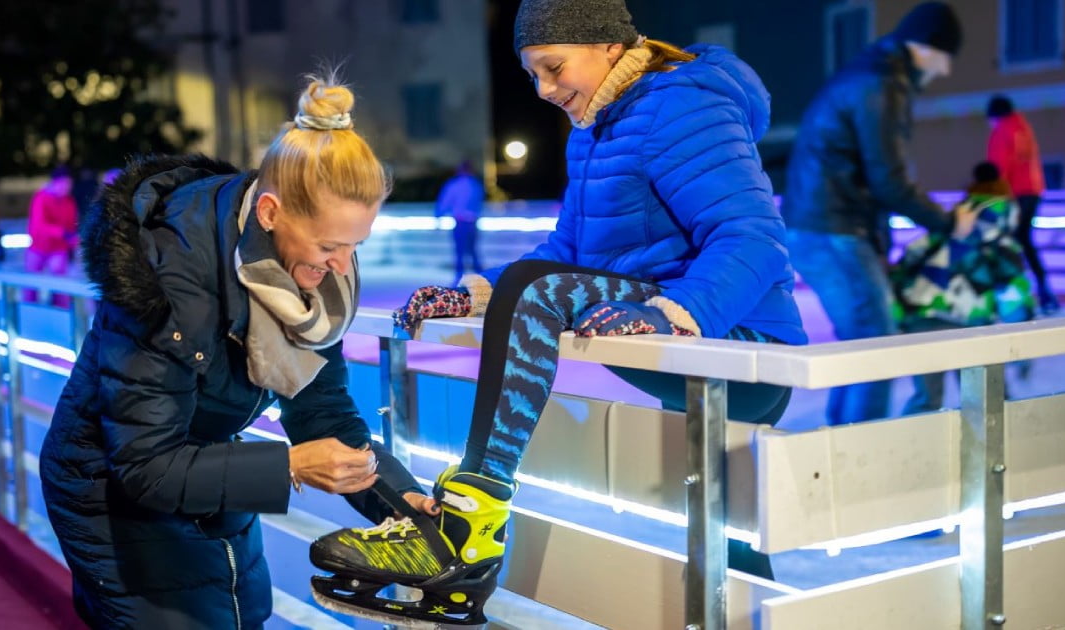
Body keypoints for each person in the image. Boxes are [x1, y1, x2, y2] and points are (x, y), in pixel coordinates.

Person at [307, 0, 805, 625]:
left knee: (538, 294)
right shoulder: (595, 130)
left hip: (741, 344)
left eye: (552, 67)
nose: (544, 91)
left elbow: (754, 237)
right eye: (532, 76)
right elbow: (566, 255)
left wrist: (673, 311)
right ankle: (751, 616)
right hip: (667, 331)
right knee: (727, 522)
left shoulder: (684, 106)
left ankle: (468, 530)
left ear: (608, 47)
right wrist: (478, 295)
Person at [38, 73, 435, 629]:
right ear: (270, 213)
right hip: (112, 488)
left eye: (355, 245)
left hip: (205, 467)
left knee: (241, 612)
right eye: (328, 245)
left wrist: (404, 504)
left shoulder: (306, 282)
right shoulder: (173, 276)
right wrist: (291, 465)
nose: (342, 266)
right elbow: (144, 464)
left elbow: (322, 412)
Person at [781, 1, 963, 424]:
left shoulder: (869, 75)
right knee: (877, 347)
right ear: (926, 47)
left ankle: (841, 449)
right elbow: (889, 180)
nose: (946, 72)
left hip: (826, 225)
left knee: (860, 348)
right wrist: (949, 221)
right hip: (834, 230)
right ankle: (857, 462)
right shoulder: (882, 84)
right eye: (945, 58)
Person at [891, 162, 1035, 413]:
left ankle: (916, 448)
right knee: (987, 398)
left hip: (923, 319)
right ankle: (995, 449)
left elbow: (907, 263)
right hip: (972, 324)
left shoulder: (946, 228)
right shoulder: (999, 241)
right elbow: (1013, 291)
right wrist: (1024, 344)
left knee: (927, 398)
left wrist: (897, 314)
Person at [987, 94, 1057, 315]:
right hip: (1033, 192)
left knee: (1008, 243)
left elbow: (1000, 167)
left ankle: (1015, 295)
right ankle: (1043, 291)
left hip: (1015, 194)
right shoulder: (1023, 128)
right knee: (1024, 240)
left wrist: (996, 196)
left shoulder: (1002, 132)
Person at [25, 165, 78, 306]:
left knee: (60, 286)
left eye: (69, 184)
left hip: (58, 249)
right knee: (30, 286)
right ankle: (28, 312)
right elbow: (39, 225)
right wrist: (62, 233)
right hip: (38, 247)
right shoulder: (41, 198)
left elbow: (71, 225)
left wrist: (72, 242)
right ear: (56, 182)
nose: (67, 188)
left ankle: (60, 314)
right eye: (65, 184)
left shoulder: (69, 202)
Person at [434, 160, 485, 283]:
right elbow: (479, 202)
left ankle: (459, 278)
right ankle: (482, 279)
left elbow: (445, 202)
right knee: (473, 251)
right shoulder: (475, 185)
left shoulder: (454, 185)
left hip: (460, 222)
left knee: (459, 252)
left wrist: (438, 215)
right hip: (472, 222)